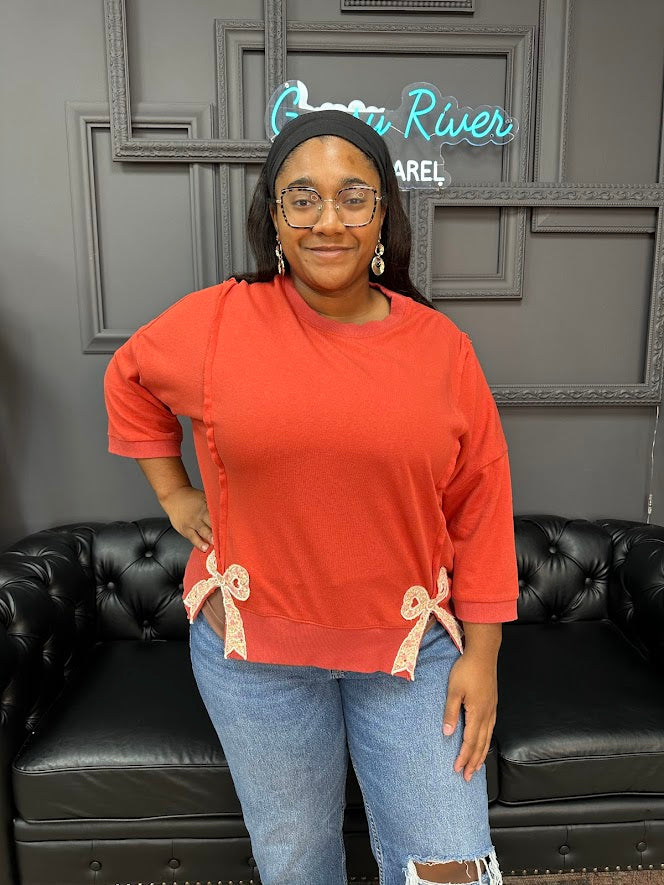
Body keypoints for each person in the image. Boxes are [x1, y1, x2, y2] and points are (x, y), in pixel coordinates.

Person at [104, 109, 519, 885]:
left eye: (353, 197)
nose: (328, 220)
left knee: (451, 866)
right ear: (274, 216)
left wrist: (485, 653)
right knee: (297, 862)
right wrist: (175, 493)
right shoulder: (217, 322)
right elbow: (127, 378)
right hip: (254, 653)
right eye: (303, 197)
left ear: (384, 215)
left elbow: (482, 502)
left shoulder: (440, 348)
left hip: (411, 650)